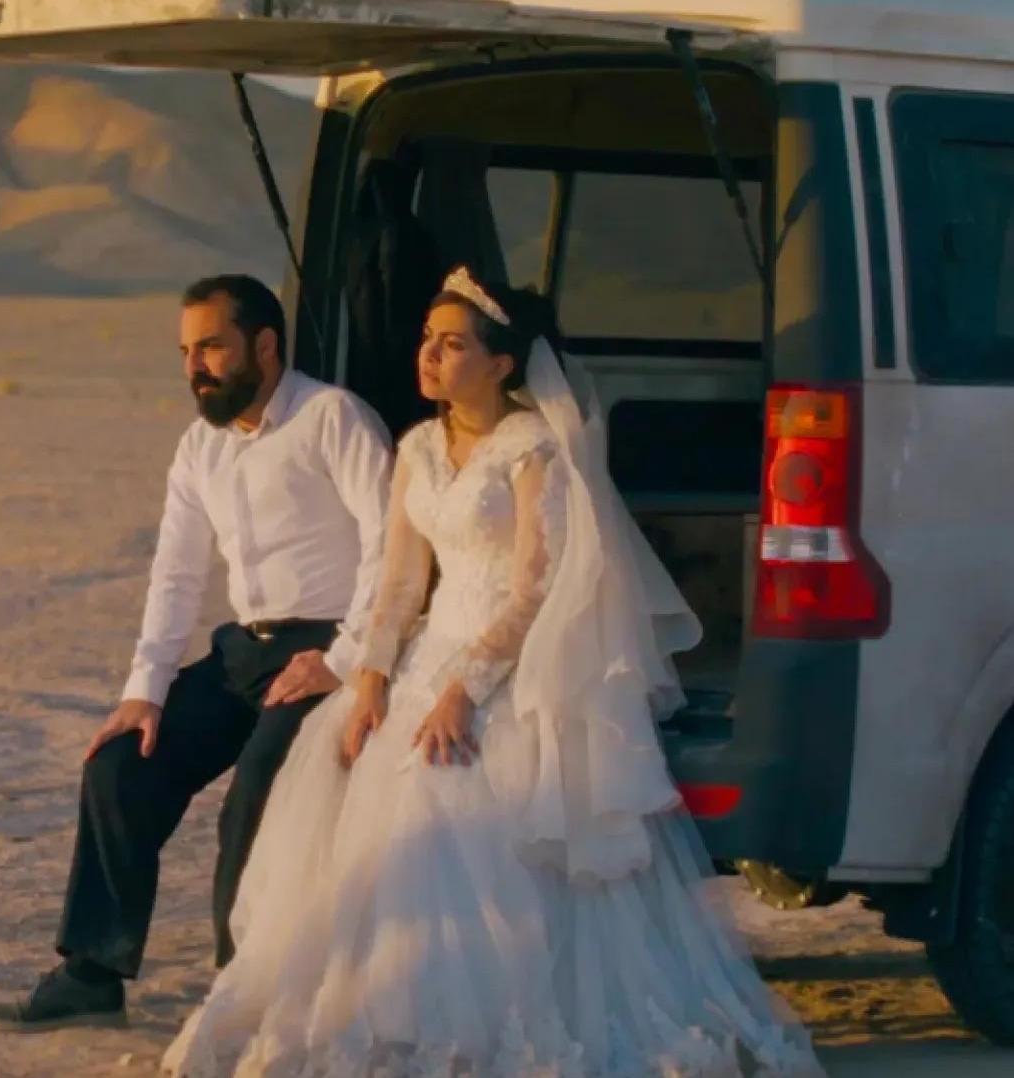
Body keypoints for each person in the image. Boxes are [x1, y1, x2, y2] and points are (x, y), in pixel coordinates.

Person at [159, 266, 824, 1076]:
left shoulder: (533, 449)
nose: (429, 355)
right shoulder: (415, 447)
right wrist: (370, 679)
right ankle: (376, 1001)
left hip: (511, 662)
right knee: (347, 766)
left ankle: (479, 1017)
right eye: (427, 340)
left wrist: (464, 692)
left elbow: (534, 589)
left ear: (501, 363)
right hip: (428, 649)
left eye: (452, 344)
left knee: (455, 785)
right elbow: (400, 583)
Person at [0, 274, 394, 1033]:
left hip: (327, 650)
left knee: (253, 800)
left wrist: (343, 657)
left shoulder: (334, 418)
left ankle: (243, 999)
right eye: (185, 352)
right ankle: (92, 976)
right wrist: (145, 691)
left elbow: (388, 547)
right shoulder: (200, 446)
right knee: (118, 767)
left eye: (211, 348)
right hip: (244, 654)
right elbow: (176, 574)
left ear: (265, 347)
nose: (194, 367)